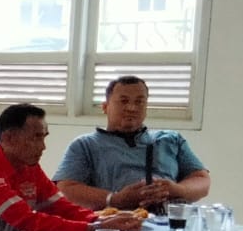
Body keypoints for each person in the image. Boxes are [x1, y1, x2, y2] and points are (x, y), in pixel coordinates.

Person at [0, 104, 144, 231]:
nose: (43, 146)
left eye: (44, 137)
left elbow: (60, 207)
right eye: (36, 138)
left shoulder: (29, 167)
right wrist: (95, 227)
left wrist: (100, 219)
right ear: (8, 138)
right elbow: (27, 220)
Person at [53, 75, 211, 210]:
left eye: (139, 102)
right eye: (123, 101)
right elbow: (66, 188)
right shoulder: (85, 145)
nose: (131, 108)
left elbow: (201, 180)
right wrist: (115, 199)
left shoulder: (170, 139)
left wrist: (176, 189)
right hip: (114, 225)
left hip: (169, 223)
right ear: (105, 107)